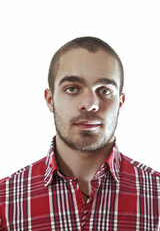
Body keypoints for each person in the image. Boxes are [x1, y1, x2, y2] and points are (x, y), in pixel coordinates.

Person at [0, 37, 159, 231]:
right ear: (50, 100)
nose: (90, 104)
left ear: (120, 102)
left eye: (104, 90)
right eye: (72, 88)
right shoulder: (5, 200)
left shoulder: (157, 194)